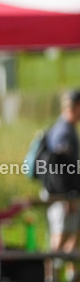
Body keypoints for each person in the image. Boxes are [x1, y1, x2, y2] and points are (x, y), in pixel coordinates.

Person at [42, 90, 80, 253]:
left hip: (65, 193)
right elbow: (58, 167)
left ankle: (68, 275)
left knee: (72, 234)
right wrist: (66, 197)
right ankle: (52, 277)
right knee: (61, 235)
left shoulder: (65, 128)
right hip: (60, 194)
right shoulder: (63, 132)